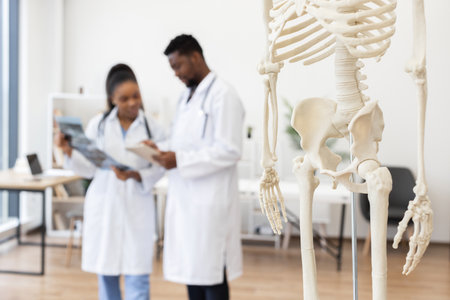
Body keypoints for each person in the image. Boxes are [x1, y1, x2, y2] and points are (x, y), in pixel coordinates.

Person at [56, 63, 164, 300]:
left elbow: (161, 165)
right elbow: (89, 167)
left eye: (136, 96)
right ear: (112, 99)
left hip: (137, 203)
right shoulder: (99, 124)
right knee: (107, 275)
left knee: (138, 278)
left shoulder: (152, 126)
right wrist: (67, 151)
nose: (132, 103)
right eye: (124, 99)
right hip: (105, 202)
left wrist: (138, 175)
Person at [152, 34, 245, 300]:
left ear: (195, 57)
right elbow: (181, 142)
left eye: (178, 66)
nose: (176, 74)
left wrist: (179, 160)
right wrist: (159, 149)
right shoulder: (185, 98)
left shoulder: (223, 95)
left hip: (210, 203)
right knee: (192, 272)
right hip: (185, 200)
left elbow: (230, 150)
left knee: (212, 274)